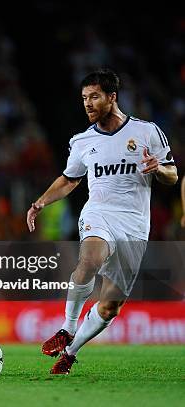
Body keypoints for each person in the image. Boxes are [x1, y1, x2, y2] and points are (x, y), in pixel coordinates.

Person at [27, 69, 178, 374]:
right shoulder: (82, 141)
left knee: (110, 306)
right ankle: (67, 327)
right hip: (99, 212)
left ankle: (70, 351)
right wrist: (41, 201)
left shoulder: (147, 132)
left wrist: (158, 169)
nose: (88, 103)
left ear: (112, 97)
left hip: (135, 224)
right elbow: (70, 179)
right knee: (90, 258)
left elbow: (173, 174)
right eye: (84, 98)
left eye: (94, 96)